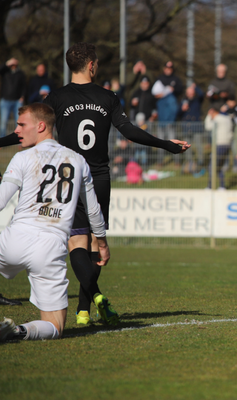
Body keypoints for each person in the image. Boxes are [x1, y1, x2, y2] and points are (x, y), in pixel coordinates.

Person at [0, 43, 190, 327]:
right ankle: (86, 306)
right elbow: (129, 131)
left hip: (67, 178)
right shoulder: (107, 97)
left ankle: (91, 304)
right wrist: (166, 145)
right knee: (95, 243)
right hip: (98, 177)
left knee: (76, 241)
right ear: (91, 65)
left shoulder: (57, 97)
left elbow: (23, 132)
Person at [0, 103, 108, 341]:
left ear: (40, 126)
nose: (16, 130)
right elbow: (93, 210)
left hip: (14, 239)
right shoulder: (78, 160)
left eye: (21, 124)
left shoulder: (22, 157)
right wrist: (101, 241)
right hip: (50, 247)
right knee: (55, 326)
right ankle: (20, 331)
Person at [179, 84, 205, 175]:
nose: (190, 93)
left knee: (199, 146)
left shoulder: (197, 100)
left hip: (196, 128)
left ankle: (201, 163)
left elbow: (202, 94)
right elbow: (178, 113)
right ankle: (189, 163)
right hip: (186, 128)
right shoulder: (183, 101)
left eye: (191, 91)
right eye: (188, 91)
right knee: (186, 147)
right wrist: (182, 109)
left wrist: (195, 87)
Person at [204, 108, 233, 189]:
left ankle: (210, 187)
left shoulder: (217, 119)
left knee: (212, 166)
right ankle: (222, 186)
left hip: (219, 144)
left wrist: (208, 116)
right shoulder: (227, 118)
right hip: (227, 144)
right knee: (219, 166)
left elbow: (208, 126)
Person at [0, 58, 26, 138]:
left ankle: (20, 141)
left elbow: (24, 86)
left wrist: (22, 96)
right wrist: (7, 63)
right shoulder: (5, 72)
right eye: (12, 64)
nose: (13, 66)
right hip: (5, 100)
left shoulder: (20, 74)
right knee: (3, 123)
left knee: (19, 122)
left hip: (17, 101)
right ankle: (2, 141)